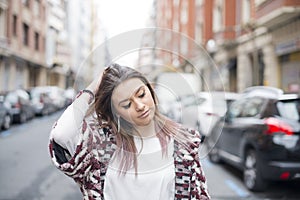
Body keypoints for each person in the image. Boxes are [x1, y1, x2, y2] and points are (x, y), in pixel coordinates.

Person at [48, 63, 210, 200]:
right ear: (115, 112)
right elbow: (62, 134)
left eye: (141, 94)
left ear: (150, 90)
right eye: (126, 104)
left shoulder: (184, 142)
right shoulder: (99, 148)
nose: (140, 105)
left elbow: (200, 195)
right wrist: (92, 89)